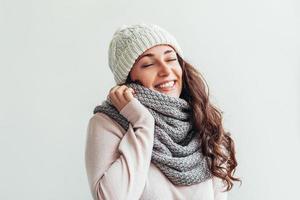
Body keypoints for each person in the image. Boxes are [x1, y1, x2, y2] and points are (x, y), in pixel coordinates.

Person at [85, 23, 241, 200]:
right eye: (148, 64)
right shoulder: (108, 123)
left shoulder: (203, 120)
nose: (166, 71)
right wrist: (143, 124)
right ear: (129, 78)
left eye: (170, 59)